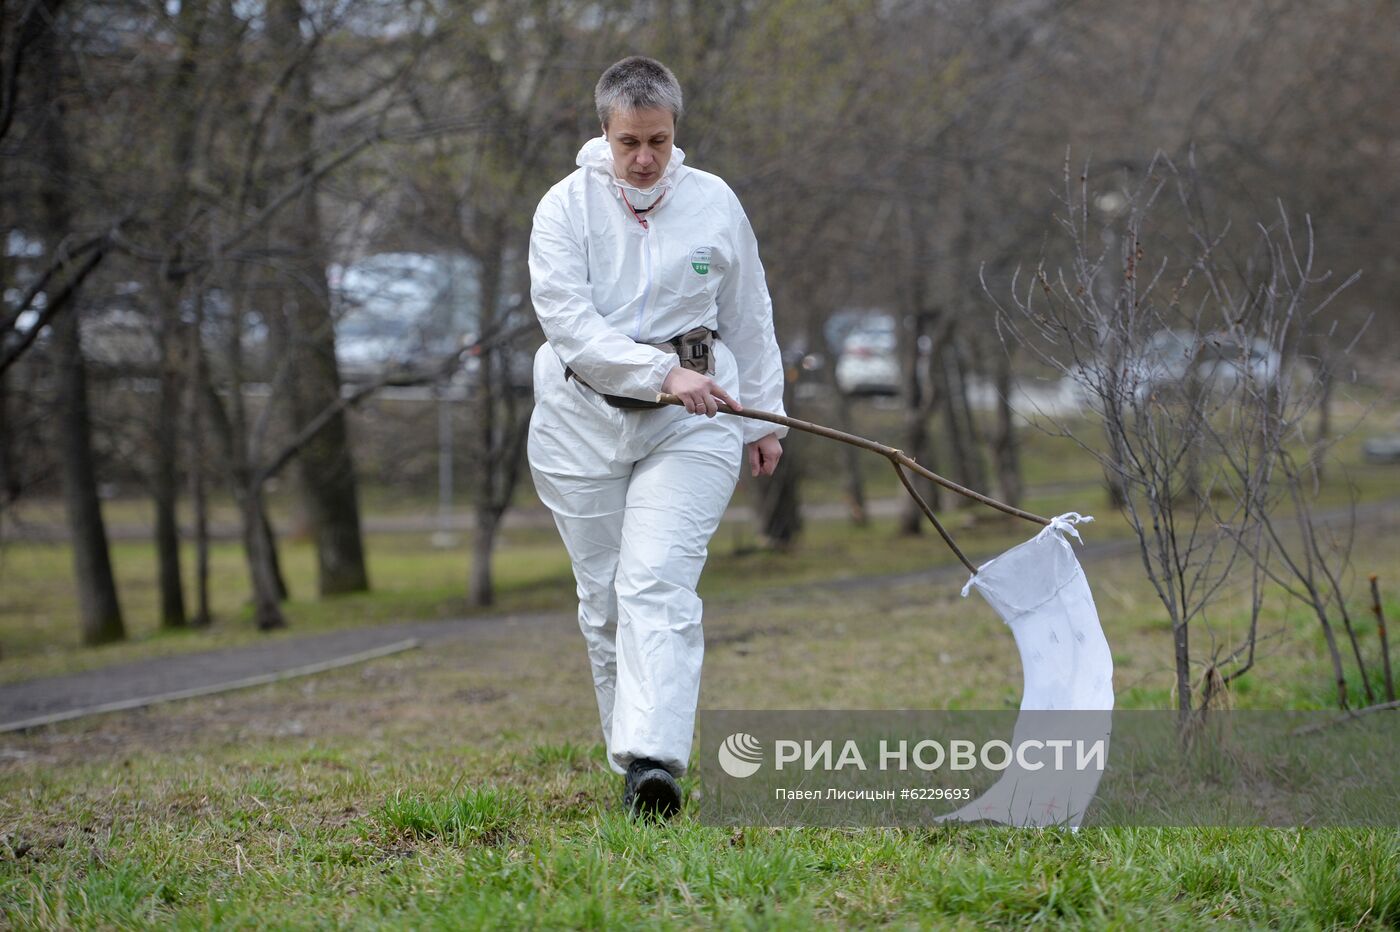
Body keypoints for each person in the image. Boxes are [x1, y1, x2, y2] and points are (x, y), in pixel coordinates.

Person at [527, 56, 788, 818]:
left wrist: (762, 417)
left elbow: (750, 312)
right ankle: (633, 755)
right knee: (605, 598)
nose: (645, 159)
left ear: (678, 133)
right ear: (604, 133)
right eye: (629, 142)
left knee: (656, 584)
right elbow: (568, 324)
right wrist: (657, 372)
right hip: (582, 423)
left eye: (659, 142)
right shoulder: (564, 209)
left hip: (697, 419)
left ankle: (656, 762)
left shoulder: (714, 203)